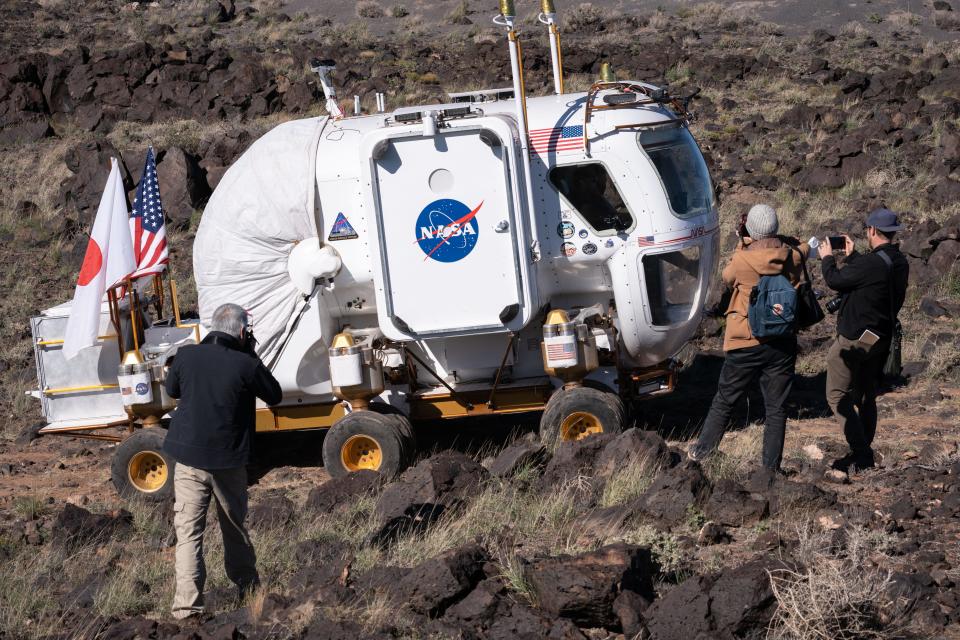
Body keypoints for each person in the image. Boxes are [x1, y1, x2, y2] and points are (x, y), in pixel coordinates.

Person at [163, 303, 283, 620]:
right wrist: (253, 355)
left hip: (189, 459)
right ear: (243, 332)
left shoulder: (186, 356)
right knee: (234, 528)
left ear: (211, 327)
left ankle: (187, 608)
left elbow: (172, 389)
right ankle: (249, 591)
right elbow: (274, 395)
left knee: (189, 534)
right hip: (228, 461)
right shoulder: (245, 363)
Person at [689, 204, 810, 470]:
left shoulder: (742, 260)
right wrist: (779, 238)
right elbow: (804, 246)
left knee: (725, 399)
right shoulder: (793, 257)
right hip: (781, 340)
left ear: (750, 230)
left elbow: (727, 277)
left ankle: (703, 452)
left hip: (745, 340)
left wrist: (742, 243)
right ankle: (770, 470)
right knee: (776, 409)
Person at [819, 208, 909, 472]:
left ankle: (861, 452)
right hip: (880, 338)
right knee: (867, 395)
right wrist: (854, 257)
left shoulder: (869, 264)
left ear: (871, 231)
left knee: (836, 395)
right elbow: (872, 277)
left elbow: (834, 279)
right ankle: (864, 448)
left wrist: (827, 258)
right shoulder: (899, 261)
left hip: (855, 339)